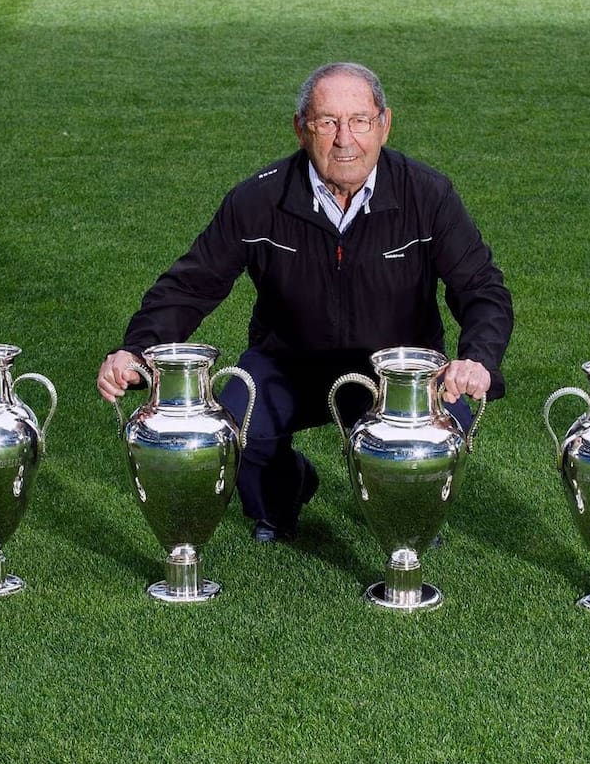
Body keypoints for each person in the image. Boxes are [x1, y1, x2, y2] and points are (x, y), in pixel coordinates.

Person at [97, 62, 513, 542]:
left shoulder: (429, 194)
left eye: (359, 120)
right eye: (327, 122)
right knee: (235, 428)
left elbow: (482, 288)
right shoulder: (258, 198)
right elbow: (190, 286)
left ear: (384, 124)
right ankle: (284, 495)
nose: (344, 139)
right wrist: (136, 349)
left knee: (432, 441)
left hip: (397, 373)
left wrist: (477, 361)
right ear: (301, 128)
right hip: (286, 362)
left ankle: (408, 514)